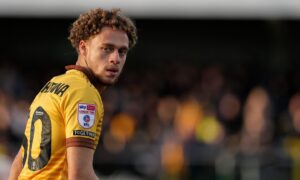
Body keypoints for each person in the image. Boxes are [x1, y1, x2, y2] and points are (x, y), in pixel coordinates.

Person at [8, 8, 137, 180]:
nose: (116, 58)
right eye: (107, 49)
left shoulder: (52, 85)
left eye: (122, 51)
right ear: (83, 48)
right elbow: (80, 175)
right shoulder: (84, 93)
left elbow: (18, 166)